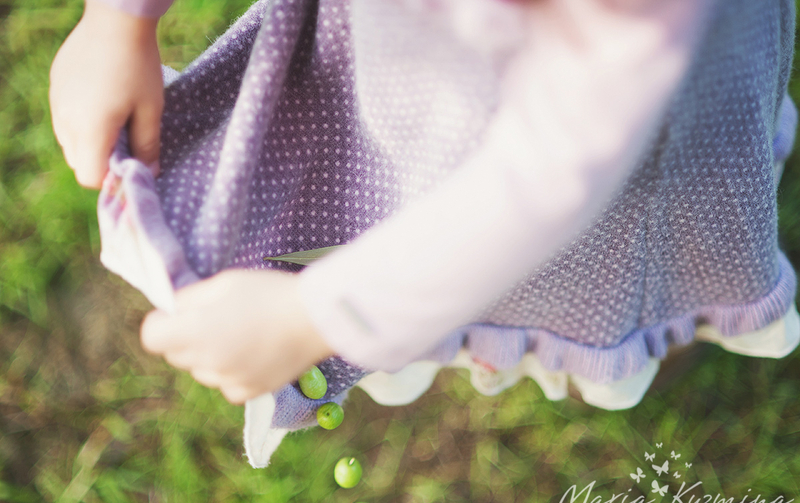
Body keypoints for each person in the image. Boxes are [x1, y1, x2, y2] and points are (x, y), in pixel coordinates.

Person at [50, 0, 798, 415]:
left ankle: (642, 330)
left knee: (601, 267)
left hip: (617, 139)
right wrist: (119, 19)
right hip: (410, 49)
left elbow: (550, 170)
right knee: (413, 167)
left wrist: (313, 317)